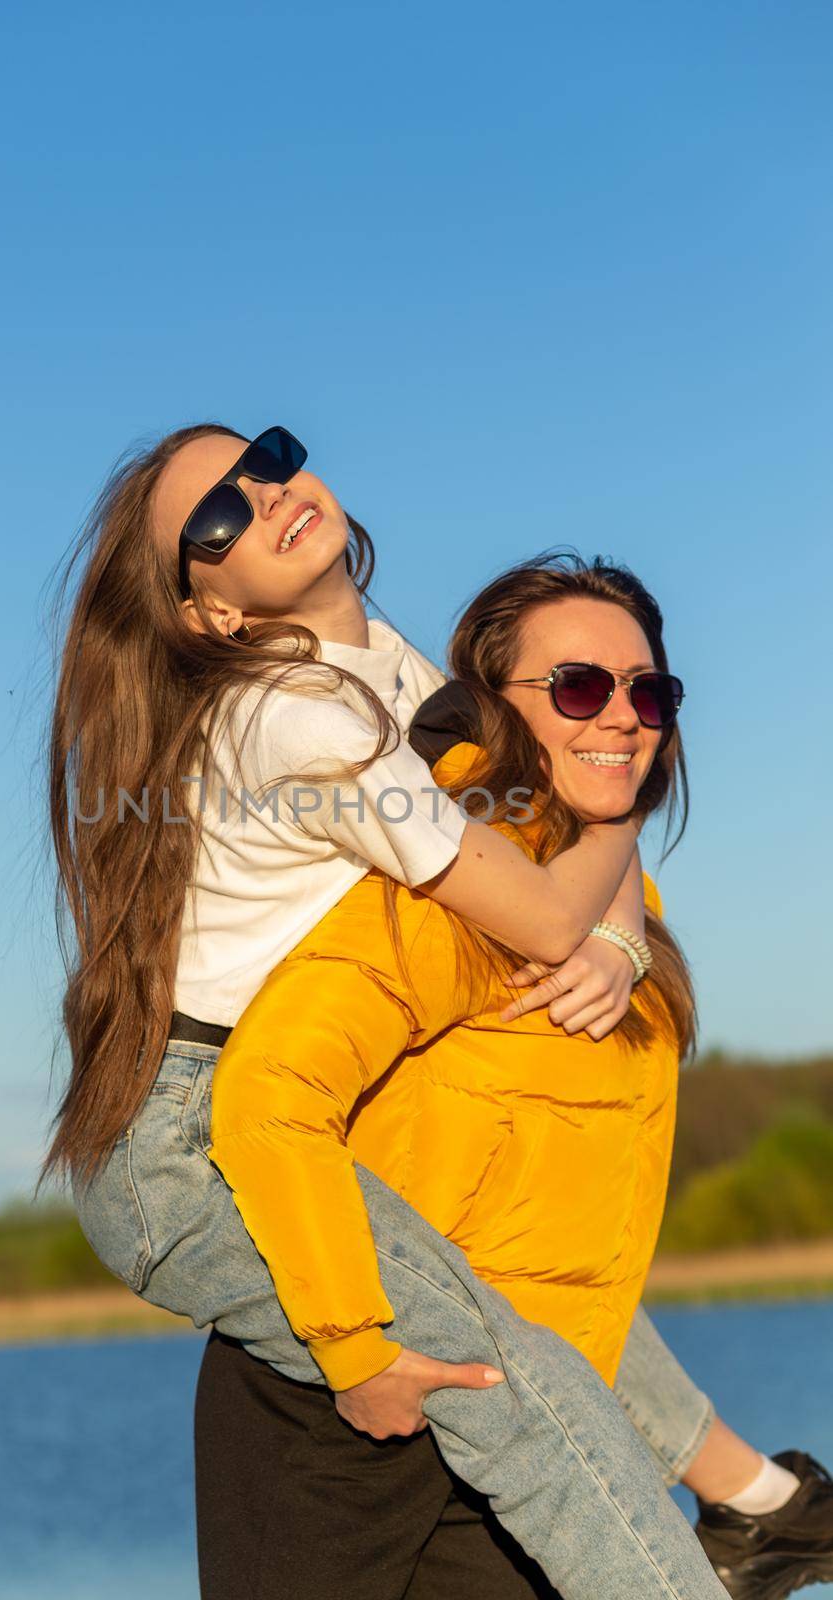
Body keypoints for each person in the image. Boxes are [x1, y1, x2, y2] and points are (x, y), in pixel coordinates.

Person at [46, 423, 725, 1599]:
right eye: (215, 518)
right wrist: (352, 1347)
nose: (263, 498)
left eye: (265, 459)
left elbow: (534, 816)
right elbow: (541, 903)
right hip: (186, 1144)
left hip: (246, 1114)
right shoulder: (300, 719)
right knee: (524, 1396)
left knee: (532, 1340)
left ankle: (759, 1501)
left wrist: (618, 916)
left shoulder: (392, 672)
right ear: (206, 612)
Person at [200, 553, 833, 1600]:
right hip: (351, 1414)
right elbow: (269, 1094)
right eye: (579, 687)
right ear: (495, 710)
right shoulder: (462, 879)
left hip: (521, 1424)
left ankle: (768, 1510)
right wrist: (356, 1350)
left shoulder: (624, 897)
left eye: (648, 690)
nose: (622, 715)